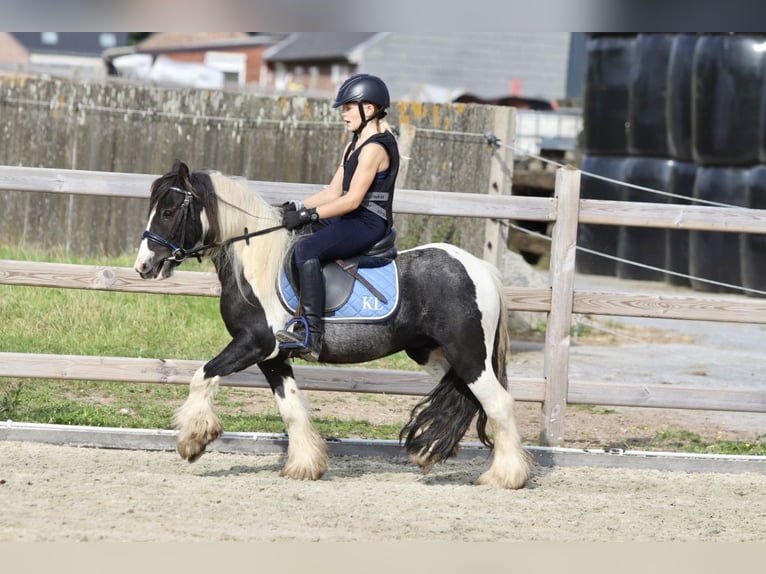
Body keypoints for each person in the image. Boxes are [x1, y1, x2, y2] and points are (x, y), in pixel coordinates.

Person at [276, 73, 399, 361]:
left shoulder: (374, 149)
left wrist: (310, 214)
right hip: (351, 216)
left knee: (307, 249)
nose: (342, 114)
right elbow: (333, 191)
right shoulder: (355, 144)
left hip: (367, 223)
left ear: (368, 109)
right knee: (299, 235)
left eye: (347, 107)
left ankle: (311, 335)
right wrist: (296, 207)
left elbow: (352, 200)